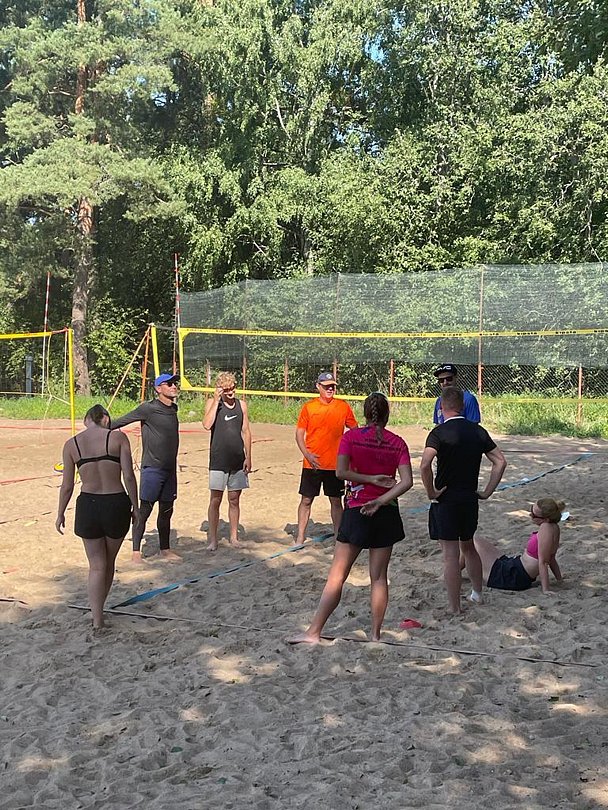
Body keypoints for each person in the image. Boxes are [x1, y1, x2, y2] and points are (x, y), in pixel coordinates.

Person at [289, 392, 413, 644]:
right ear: (387, 415)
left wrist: (368, 480)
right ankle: (375, 635)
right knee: (379, 578)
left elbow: (340, 472)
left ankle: (314, 632)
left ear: (365, 414)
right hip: (386, 511)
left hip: (358, 509)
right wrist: (381, 499)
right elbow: (407, 482)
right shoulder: (397, 442)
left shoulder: (351, 438)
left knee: (337, 575)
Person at [420, 386, 507, 615]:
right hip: (469, 498)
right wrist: (487, 491)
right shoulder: (477, 431)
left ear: (441, 407)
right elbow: (500, 462)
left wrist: (431, 491)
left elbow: (425, 465)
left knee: (450, 555)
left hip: (446, 499)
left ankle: (454, 607)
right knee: (468, 547)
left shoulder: (438, 433)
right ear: (463, 406)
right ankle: (477, 593)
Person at [55, 405, 139, 630]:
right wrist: (136, 506)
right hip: (115, 502)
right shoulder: (118, 438)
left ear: (86, 421)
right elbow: (129, 476)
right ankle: (99, 611)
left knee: (96, 565)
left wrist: (60, 512)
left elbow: (67, 485)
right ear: (105, 419)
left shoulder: (71, 444)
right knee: (108, 562)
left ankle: (97, 618)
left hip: (88, 504)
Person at [111, 372, 181, 563]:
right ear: (158, 388)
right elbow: (122, 421)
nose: (173, 386)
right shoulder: (148, 409)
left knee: (166, 510)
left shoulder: (174, 408)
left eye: (174, 383)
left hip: (169, 470)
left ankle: (165, 549)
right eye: (169, 384)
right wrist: (100, 428)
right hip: (153, 469)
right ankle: (136, 552)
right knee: (145, 510)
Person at [295, 371, 358, 544]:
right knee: (306, 500)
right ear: (318, 386)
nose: (330, 389)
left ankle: (339, 536)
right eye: (326, 386)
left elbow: (355, 431)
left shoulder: (343, 406)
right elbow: (299, 434)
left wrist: (349, 453)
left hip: (335, 464)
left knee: (336, 501)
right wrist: (307, 454)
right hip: (312, 463)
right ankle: (300, 537)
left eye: (332, 387)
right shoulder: (309, 407)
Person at [472, 498, 565, 594]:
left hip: (513, 576)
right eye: (531, 509)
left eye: (534, 515)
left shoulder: (545, 528)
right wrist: (559, 579)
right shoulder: (555, 527)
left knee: (471, 543)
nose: (530, 515)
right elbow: (552, 558)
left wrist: (545, 589)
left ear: (546, 519)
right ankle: (460, 575)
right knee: (474, 541)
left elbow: (544, 562)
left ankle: (462, 580)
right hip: (515, 567)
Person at [202, 372, 252, 551]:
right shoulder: (213, 403)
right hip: (218, 459)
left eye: (233, 388)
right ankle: (213, 540)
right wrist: (216, 401)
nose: (231, 392)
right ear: (220, 390)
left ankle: (234, 537)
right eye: (227, 389)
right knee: (215, 500)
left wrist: (248, 457)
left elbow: (246, 431)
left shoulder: (241, 405)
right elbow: (206, 425)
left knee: (234, 499)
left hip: (237, 459)